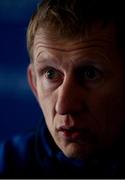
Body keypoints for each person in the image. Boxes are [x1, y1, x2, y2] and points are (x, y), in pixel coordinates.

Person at [1, 0, 125, 178]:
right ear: (34, 84)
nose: (64, 106)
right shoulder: (7, 166)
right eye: (51, 74)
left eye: (90, 74)